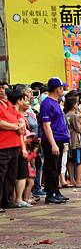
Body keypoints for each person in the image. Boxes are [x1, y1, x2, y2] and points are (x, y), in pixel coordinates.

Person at [40, 78, 71, 204]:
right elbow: (46, 125)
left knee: (57, 167)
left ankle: (55, 190)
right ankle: (50, 193)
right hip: (52, 140)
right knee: (51, 167)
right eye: (62, 87)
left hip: (60, 138)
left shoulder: (56, 102)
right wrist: (53, 144)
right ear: (57, 89)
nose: (63, 90)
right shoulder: (47, 103)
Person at [0, 84, 25, 212]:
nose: (3, 91)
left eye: (4, 89)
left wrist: (20, 122)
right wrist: (16, 126)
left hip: (14, 145)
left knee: (11, 174)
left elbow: (19, 116)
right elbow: (1, 123)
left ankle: (7, 200)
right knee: (1, 174)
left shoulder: (8, 105)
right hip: (2, 145)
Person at [64, 96, 81, 188]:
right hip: (75, 141)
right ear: (74, 105)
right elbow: (79, 129)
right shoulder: (74, 115)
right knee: (79, 161)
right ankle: (78, 180)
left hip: (68, 140)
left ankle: (72, 180)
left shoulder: (67, 114)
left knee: (69, 161)